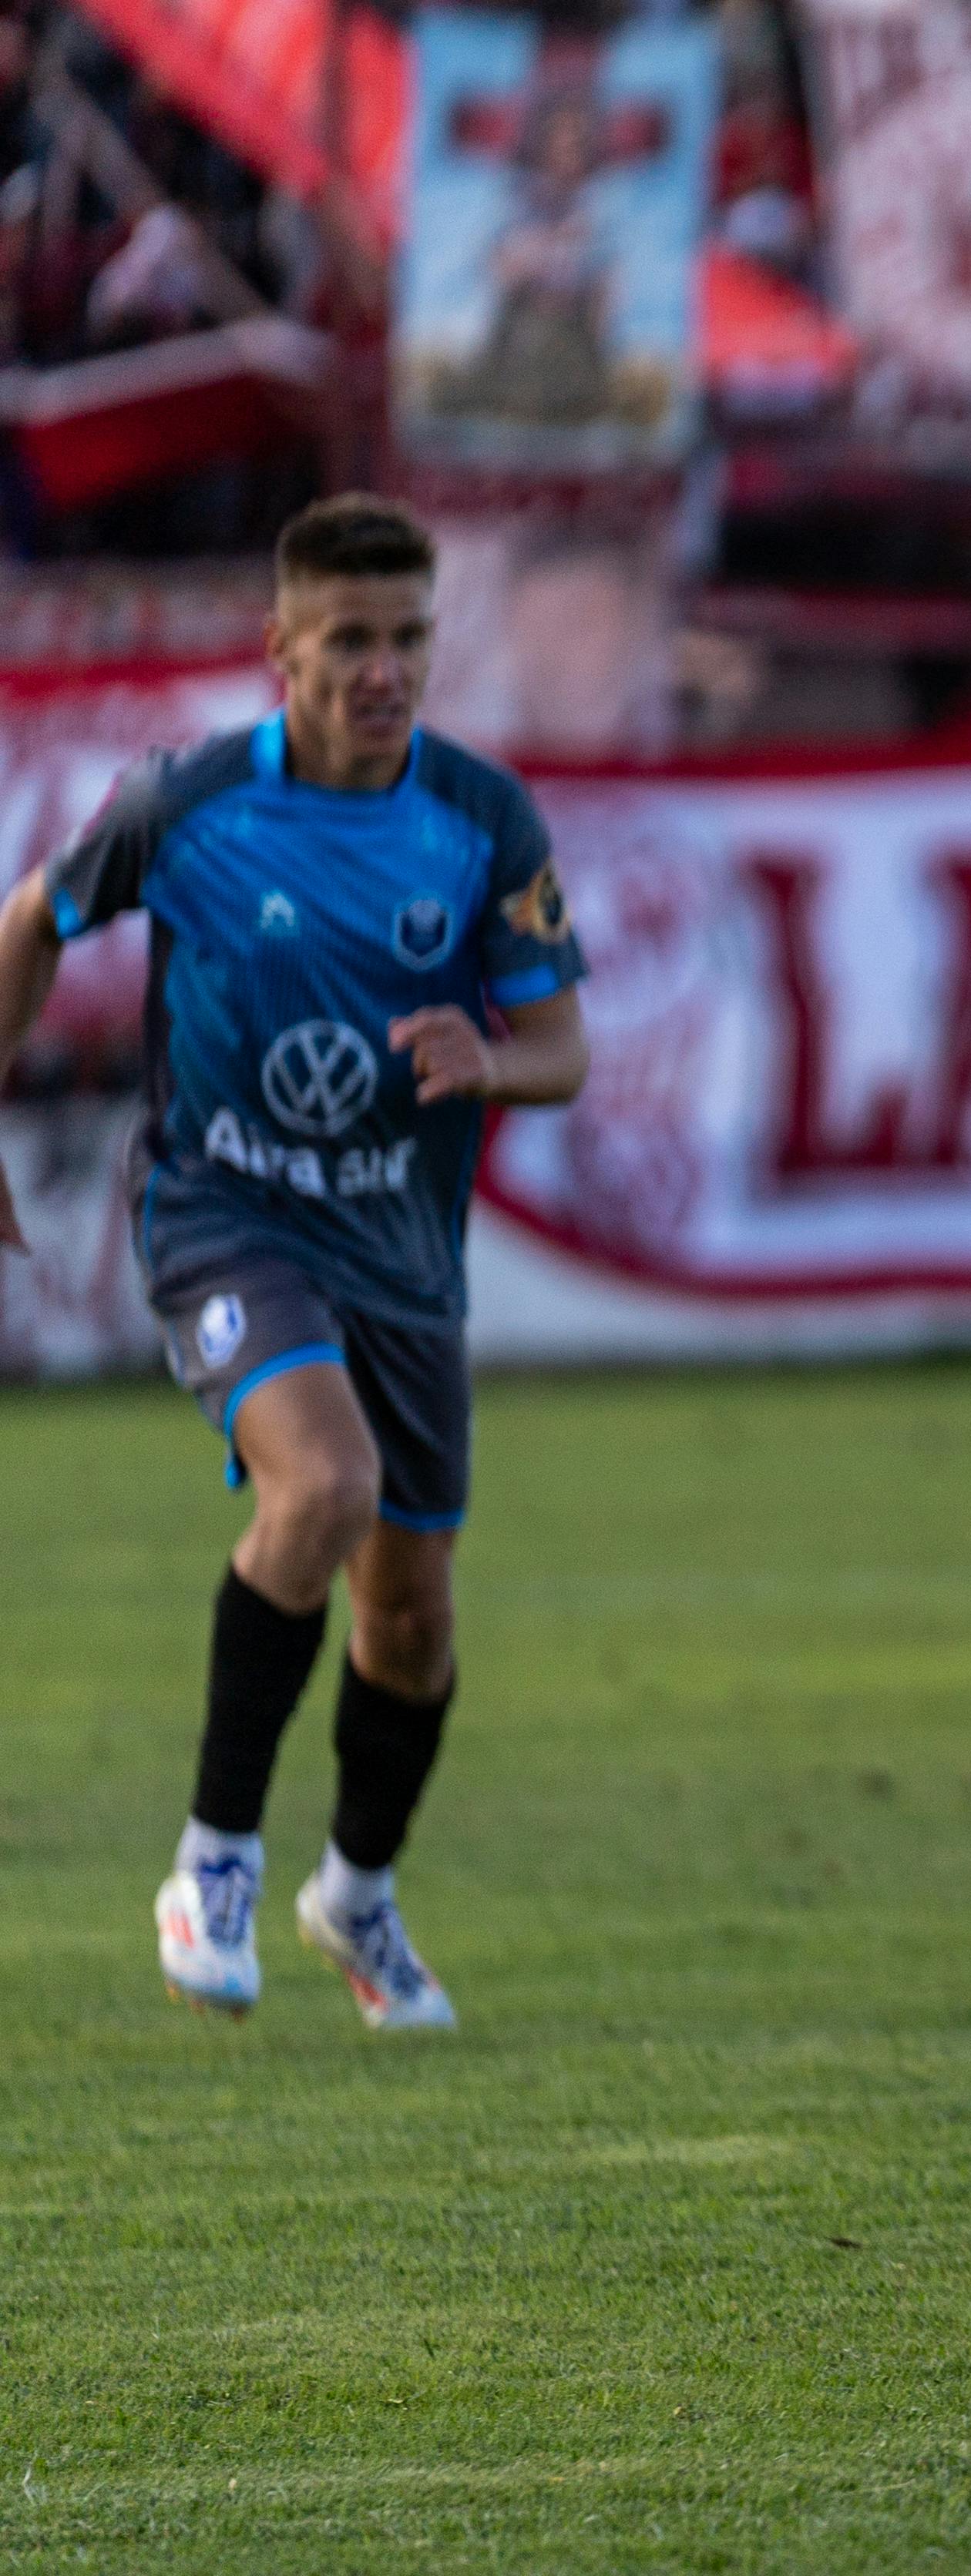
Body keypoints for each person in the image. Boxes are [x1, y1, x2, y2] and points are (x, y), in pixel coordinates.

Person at [0, 492, 590, 2028]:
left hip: (398, 1250)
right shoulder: (188, 805)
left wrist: (493, 1053)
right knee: (319, 1485)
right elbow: (34, 918)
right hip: (221, 1210)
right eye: (348, 641)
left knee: (411, 1617)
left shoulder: (480, 822)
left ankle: (362, 1895)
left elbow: (565, 1046)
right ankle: (212, 1860)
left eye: (405, 639)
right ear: (282, 649)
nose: (381, 670)